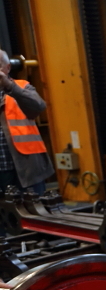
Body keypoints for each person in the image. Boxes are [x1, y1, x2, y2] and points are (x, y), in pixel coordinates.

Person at [0, 50, 52, 195]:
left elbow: (38, 107)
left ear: (8, 68)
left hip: (26, 167)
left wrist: (10, 87)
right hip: (2, 170)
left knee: (34, 212)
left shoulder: (22, 87)